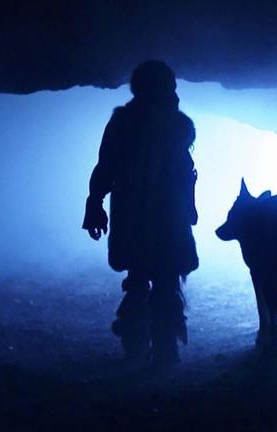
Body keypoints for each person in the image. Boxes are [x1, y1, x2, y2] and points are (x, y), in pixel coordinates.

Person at [83, 60, 199, 367]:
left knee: (140, 277)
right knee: (165, 278)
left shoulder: (125, 123)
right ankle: (163, 347)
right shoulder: (176, 127)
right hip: (167, 216)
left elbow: (105, 167)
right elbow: (185, 172)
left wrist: (95, 203)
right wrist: (188, 207)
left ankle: (137, 342)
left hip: (133, 214)